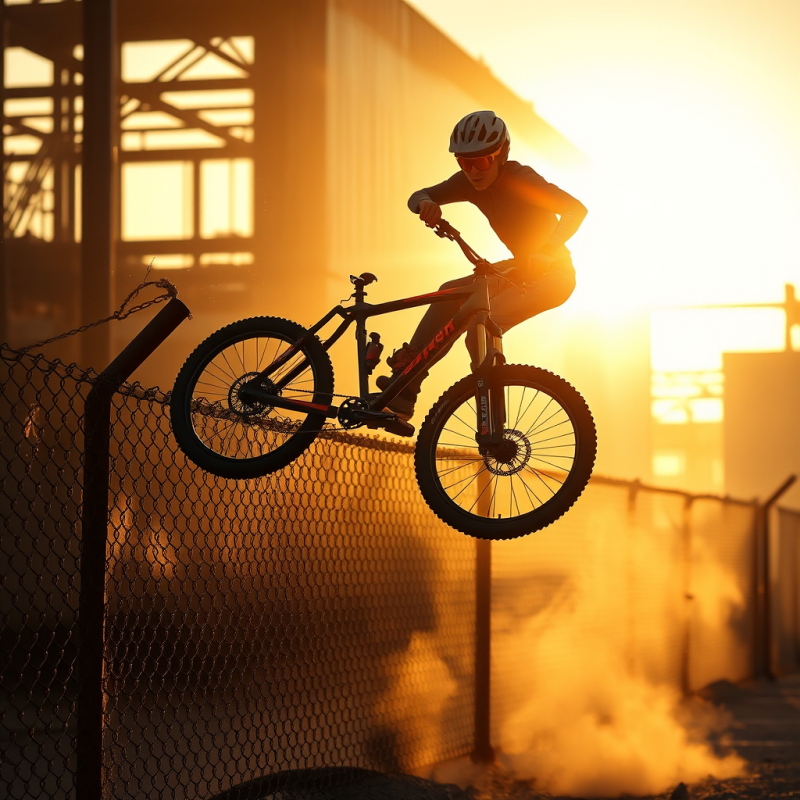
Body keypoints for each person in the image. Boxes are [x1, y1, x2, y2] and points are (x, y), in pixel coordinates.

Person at [376, 109, 587, 425]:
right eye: (464, 162)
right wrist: (426, 205)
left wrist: (547, 250)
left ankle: (492, 422)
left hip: (553, 275)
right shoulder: (466, 183)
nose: (474, 171)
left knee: (482, 328)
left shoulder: (520, 179)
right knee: (449, 293)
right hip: (519, 271)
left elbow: (575, 209)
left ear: (501, 155)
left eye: (482, 161)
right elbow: (417, 195)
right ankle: (406, 390)